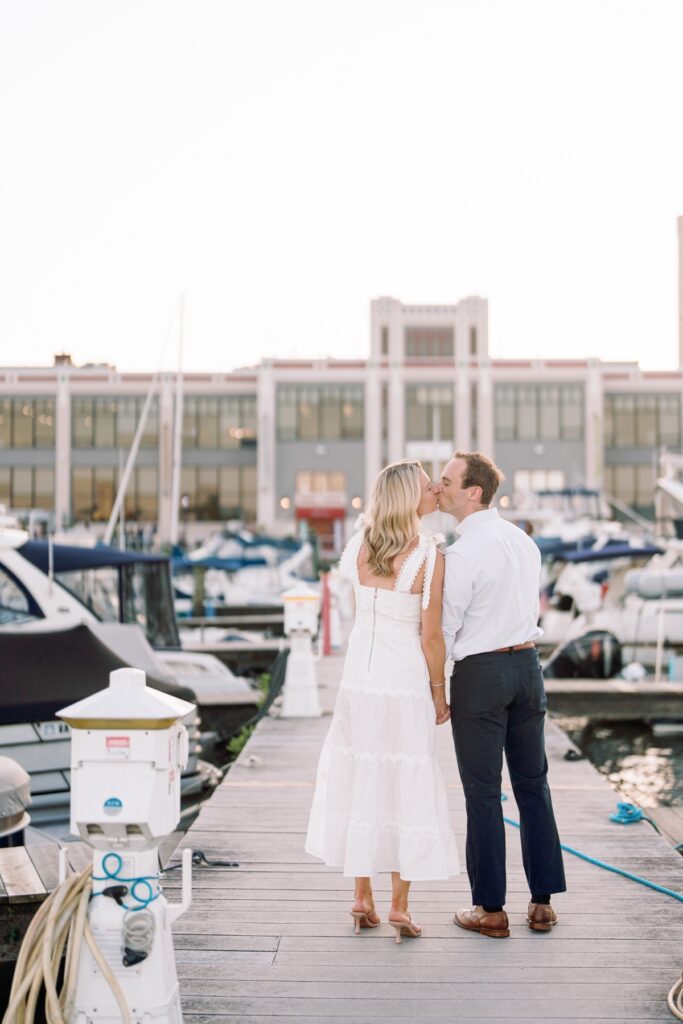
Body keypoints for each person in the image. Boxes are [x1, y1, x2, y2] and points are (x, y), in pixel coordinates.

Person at [305, 460, 459, 942]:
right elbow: (431, 637)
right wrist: (440, 691)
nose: (435, 489)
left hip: (359, 681)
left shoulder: (357, 546)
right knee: (405, 780)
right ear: (410, 497)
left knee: (362, 777)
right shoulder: (430, 555)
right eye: (426, 485)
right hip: (405, 679)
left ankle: (361, 897)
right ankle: (399, 906)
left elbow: (358, 614)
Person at [434, 451, 566, 939]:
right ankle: (542, 905)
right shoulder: (523, 542)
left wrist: (433, 687)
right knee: (534, 786)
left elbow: (446, 629)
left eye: (447, 480)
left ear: (474, 491)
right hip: (527, 667)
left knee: (483, 794)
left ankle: (490, 909)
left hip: (482, 673)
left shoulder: (461, 553)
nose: (439, 486)